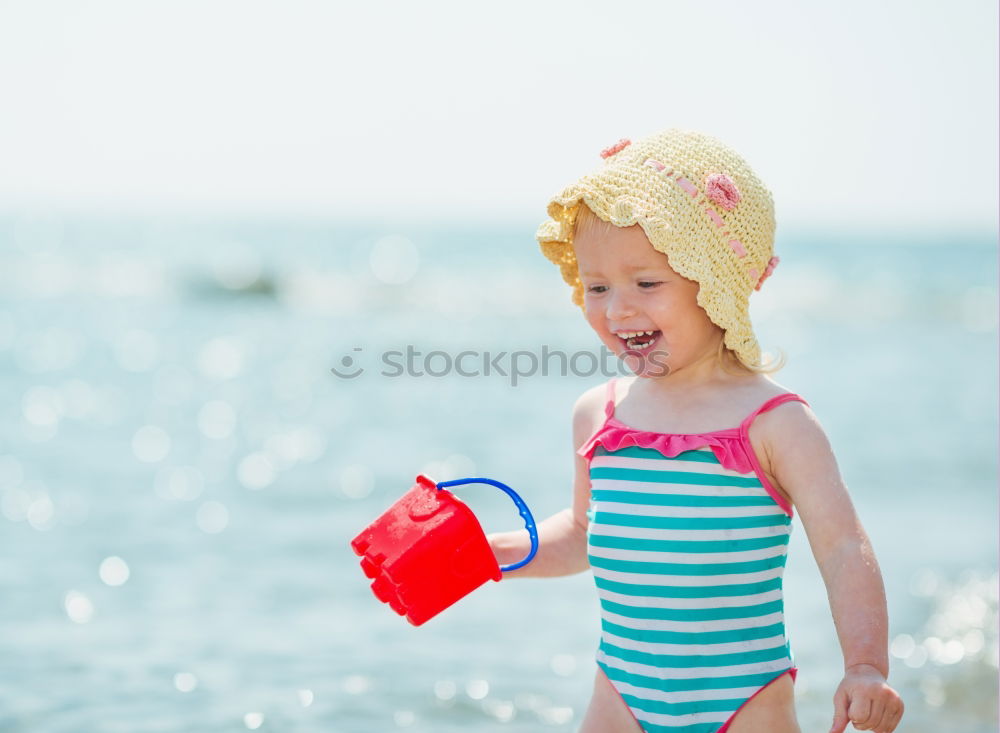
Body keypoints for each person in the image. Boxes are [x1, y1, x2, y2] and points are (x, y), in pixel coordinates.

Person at [487, 129, 904, 733]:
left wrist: (865, 665)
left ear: (716, 283)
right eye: (597, 286)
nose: (616, 308)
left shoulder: (775, 423)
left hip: (744, 701)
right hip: (621, 693)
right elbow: (582, 534)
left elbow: (842, 549)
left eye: (646, 283)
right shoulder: (597, 415)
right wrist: (488, 554)